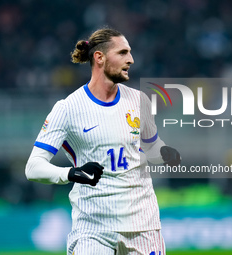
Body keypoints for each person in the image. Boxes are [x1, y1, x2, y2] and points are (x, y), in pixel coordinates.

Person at [25, 28, 181, 255]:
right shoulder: (68, 108)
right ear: (100, 57)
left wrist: (165, 152)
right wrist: (71, 173)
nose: (131, 59)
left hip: (142, 224)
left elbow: (151, 146)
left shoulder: (139, 101)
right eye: (123, 53)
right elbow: (33, 167)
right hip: (93, 228)